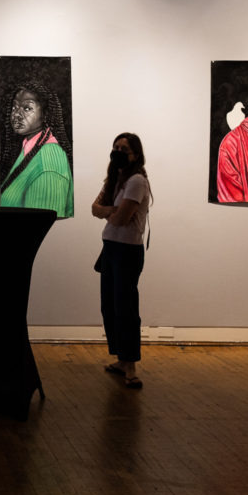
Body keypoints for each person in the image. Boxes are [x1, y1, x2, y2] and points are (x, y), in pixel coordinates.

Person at [90, 132, 152, 390]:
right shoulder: (115, 179)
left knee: (125, 309)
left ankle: (131, 366)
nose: (118, 152)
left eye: (124, 149)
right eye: (115, 147)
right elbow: (94, 208)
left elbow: (121, 219)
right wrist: (111, 211)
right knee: (109, 306)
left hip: (127, 251)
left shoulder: (137, 181)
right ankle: (121, 359)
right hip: (110, 247)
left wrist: (109, 212)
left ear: (135, 155)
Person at [0, 82, 74, 216]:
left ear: (45, 114)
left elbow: (39, 222)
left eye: (27, 108)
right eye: (14, 107)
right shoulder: (30, 147)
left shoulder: (48, 164)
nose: (17, 114)